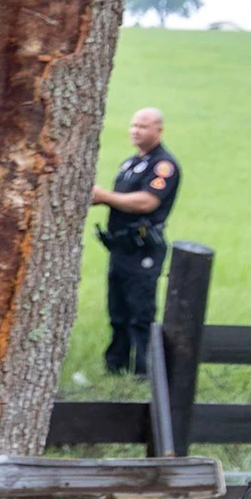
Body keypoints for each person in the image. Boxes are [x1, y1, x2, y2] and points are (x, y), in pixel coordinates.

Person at [91, 107, 181, 377]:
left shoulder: (163, 165)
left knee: (140, 312)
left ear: (158, 130)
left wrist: (105, 196)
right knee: (117, 310)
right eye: (133, 126)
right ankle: (115, 367)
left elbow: (147, 202)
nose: (135, 131)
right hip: (120, 247)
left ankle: (145, 372)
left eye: (143, 126)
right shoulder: (130, 163)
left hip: (143, 249)